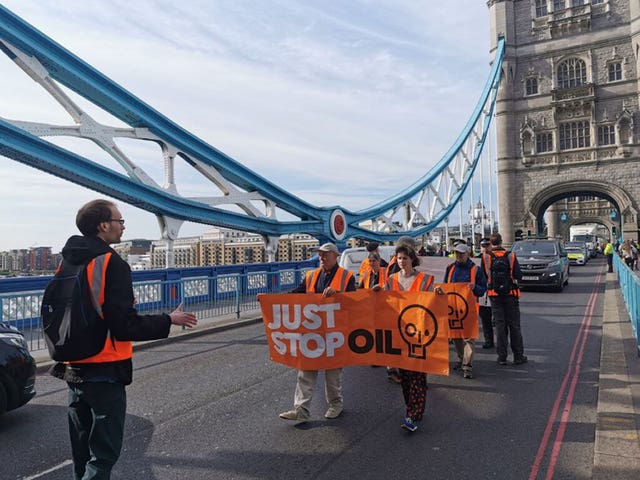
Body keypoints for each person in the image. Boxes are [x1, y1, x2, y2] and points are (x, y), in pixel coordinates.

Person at [50, 199, 198, 480]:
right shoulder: (111, 264)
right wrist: (168, 320)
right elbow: (124, 326)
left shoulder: (67, 262)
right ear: (103, 225)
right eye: (120, 221)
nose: (123, 227)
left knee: (80, 450)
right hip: (104, 369)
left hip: (72, 366)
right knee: (103, 454)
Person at [279, 242, 356, 423]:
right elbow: (297, 294)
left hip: (334, 332)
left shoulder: (347, 277)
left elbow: (355, 302)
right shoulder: (311, 275)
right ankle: (301, 409)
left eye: (325, 254)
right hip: (312, 332)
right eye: (319, 255)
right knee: (305, 369)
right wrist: (271, 300)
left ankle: (335, 404)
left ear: (336, 255)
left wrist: (338, 294)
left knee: (332, 372)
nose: (321, 258)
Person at [383, 243, 438, 432]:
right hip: (400, 333)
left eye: (405, 258)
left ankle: (412, 414)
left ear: (412, 259)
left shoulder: (424, 279)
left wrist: (438, 294)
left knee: (417, 375)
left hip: (420, 333)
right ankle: (414, 408)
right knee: (405, 376)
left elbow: (433, 302)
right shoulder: (390, 280)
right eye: (399, 258)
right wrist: (376, 291)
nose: (402, 261)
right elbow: (383, 300)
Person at [436, 241, 487, 379]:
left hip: (469, 309)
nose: (458, 256)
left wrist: (474, 288)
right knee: (456, 335)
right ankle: (461, 359)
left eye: (461, 253)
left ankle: (467, 366)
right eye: (456, 253)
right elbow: (446, 286)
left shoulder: (475, 270)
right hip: (453, 308)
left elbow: (483, 289)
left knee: (469, 337)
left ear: (468, 254)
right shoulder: (450, 268)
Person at [481, 232, 527, 366]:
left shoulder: (486, 257)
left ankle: (502, 357)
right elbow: (519, 275)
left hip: (494, 296)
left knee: (500, 327)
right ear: (501, 242)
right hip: (511, 295)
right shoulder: (511, 255)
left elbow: (484, 276)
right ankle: (518, 356)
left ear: (491, 243)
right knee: (514, 326)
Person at [479, 238, 495, 348]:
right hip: (487, 292)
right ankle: (490, 340)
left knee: (488, 318)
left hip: (492, 290)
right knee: (487, 318)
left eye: (486, 245)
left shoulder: (488, 257)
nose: (484, 247)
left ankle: (491, 341)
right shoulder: (481, 257)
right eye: (483, 245)